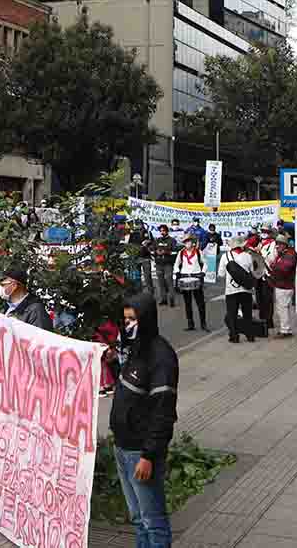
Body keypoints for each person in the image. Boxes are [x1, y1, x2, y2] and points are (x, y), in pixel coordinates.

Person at [108, 293, 179, 548]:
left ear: (146, 319)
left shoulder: (161, 356)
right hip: (123, 446)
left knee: (153, 521)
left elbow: (163, 412)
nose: (127, 325)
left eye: (132, 319)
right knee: (138, 519)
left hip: (140, 451)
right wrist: (115, 363)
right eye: (125, 320)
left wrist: (148, 455)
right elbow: (129, 389)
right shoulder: (135, 349)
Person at [220, 232, 259, 344]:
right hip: (246, 290)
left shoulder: (225, 256)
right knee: (247, 313)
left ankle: (234, 336)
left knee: (232, 313)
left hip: (231, 290)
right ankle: (250, 335)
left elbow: (221, 274)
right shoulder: (248, 256)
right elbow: (251, 272)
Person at [0, 266, 53, 331]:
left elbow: (40, 338)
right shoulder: (7, 307)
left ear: (14, 286)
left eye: (3, 284)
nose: (0, 287)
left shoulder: (36, 311)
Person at [173, 232, 208, 331]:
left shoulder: (198, 252)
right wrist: (177, 272)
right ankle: (190, 324)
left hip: (196, 277)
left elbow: (205, 263)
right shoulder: (181, 252)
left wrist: (203, 272)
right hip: (184, 277)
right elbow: (176, 264)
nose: (186, 244)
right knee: (187, 303)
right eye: (185, 242)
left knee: (200, 303)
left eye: (188, 241)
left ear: (192, 242)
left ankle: (203, 323)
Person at [268, 233, 297, 338]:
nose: (277, 247)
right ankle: (286, 328)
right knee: (284, 308)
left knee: (282, 308)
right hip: (283, 285)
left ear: (284, 244)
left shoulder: (289, 254)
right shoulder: (285, 254)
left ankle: (285, 330)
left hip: (284, 285)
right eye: (276, 244)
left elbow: (284, 269)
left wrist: (274, 267)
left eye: (279, 244)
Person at [150, 224, 177, 307]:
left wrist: (166, 252)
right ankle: (163, 299)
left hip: (168, 264)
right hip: (159, 264)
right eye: (161, 231)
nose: (162, 232)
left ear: (167, 231)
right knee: (160, 282)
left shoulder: (172, 240)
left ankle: (171, 299)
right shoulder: (157, 240)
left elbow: (175, 252)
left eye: (164, 231)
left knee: (169, 281)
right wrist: (156, 252)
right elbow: (152, 250)